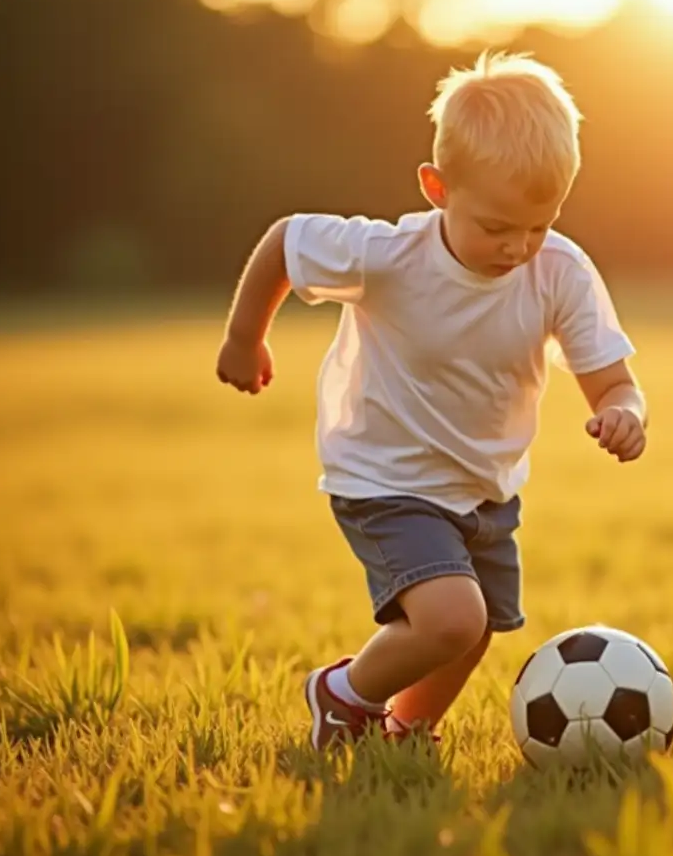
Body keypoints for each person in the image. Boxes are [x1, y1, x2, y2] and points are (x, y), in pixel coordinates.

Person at [215, 49, 648, 751]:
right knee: (451, 617)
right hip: (385, 475)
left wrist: (627, 410)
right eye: (497, 227)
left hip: (484, 487)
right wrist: (244, 339)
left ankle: (405, 732)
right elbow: (284, 243)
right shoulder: (388, 257)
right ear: (437, 188)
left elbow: (613, 379)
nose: (518, 248)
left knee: (473, 632)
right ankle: (342, 693)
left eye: (538, 227)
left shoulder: (560, 272)